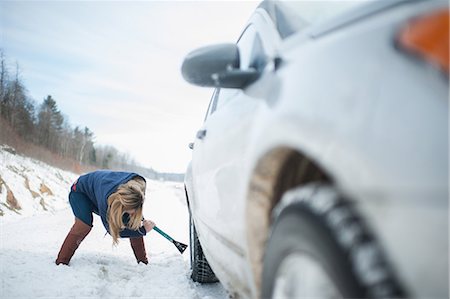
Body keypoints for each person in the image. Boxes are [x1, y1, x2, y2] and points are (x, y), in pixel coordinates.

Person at [55, 170, 155, 265]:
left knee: (133, 222)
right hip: (80, 192)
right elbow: (113, 230)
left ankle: (143, 262)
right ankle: (61, 262)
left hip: (100, 191)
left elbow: (134, 222)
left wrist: (138, 222)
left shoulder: (138, 186)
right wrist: (143, 230)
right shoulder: (107, 199)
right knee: (83, 225)